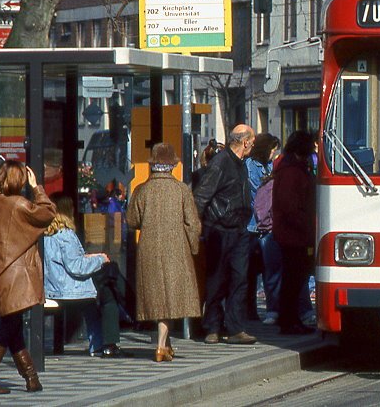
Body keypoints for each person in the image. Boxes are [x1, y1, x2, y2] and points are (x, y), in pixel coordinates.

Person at [0, 160, 56, 394]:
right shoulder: (18, 204)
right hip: (16, 275)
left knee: (13, 323)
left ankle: (31, 378)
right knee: (8, 326)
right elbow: (47, 213)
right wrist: (37, 187)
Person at [126, 143, 202, 362]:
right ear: (173, 165)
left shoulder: (142, 189)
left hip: (148, 249)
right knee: (170, 299)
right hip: (176, 250)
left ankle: (165, 345)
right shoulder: (182, 190)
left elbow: (132, 220)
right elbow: (193, 224)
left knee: (158, 298)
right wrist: (193, 248)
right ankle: (160, 346)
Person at [192, 124, 258, 345]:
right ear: (245, 141)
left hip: (239, 229)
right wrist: (197, 228)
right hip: (219, 229)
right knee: (216, 280)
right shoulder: (221, 162)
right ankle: (212, 327)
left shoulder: (241, 164)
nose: (254, 145)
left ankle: (235, 328)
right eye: (253, 141)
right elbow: (201, 196)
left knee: (239, 278)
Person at [43, 195, 123, 357]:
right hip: (69, 290)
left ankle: (98, 344)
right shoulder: (65, 235)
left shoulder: (44, 235)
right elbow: (76, 267)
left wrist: (88, 257)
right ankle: (101, 345)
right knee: (104, 298)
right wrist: (100, 259)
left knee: (92, 304)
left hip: (51, 288)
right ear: (67, 211)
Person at [272, 130, 316, 334]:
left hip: (294, 233)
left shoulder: (293, 168)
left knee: (295, 279)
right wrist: (306, 228)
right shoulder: (292, 171)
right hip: (294, 235)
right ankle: (288, 320)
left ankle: (291, 318)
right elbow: (290, 206)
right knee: (293, 279)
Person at [244, 133, 281, 324]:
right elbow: (259, 193)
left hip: (263, 225)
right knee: (253, 271)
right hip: (253, 225)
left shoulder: (267, 166)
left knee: (268, 268)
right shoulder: (251, 166)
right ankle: (251, 309)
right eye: (273, 149)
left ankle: (268, 309)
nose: (274, 154)